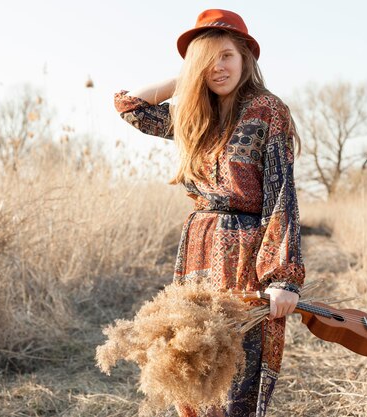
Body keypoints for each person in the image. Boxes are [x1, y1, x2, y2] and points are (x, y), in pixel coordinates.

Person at [113, 9, 305, 417]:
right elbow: (129, 106)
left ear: (246, 60)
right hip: (198, 247)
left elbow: (281, 195)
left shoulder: (267, 110)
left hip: (245, 249)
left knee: (237, 366)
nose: (219, 68)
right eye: (208, 59)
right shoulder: (192, 114)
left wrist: (282, 277)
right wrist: (188, 78)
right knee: (191, 361)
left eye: (227, 56)